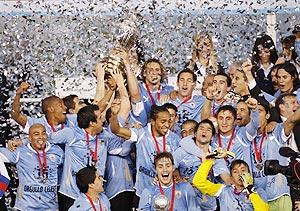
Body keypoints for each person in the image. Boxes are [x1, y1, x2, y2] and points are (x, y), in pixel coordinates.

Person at [109, 101, 180, 208]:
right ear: (152, 121)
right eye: (163, 121)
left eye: (169, 121)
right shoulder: (141, 133)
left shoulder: (174, 139)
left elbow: (176, 167)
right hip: (142, 192)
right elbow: (116, 130)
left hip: (165, 193)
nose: (167, 125)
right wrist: (114, 115)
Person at [49, 104, 108, 210]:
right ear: (92, 123)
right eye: (99, 118)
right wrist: (20, 141)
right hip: (71, 194)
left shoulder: (105, 136)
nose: (103, 120)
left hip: (94, 193)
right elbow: (46, 139)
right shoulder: (71, 133)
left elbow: (123, 147)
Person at [0, 124, 64, 210]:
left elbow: (68, 168)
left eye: (43, 133)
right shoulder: (20, 151)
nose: (41, 137)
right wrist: (12, 143)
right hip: (27, 208)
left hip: (50, 207)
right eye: (36, 134)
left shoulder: (57, 151)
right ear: (29, 138)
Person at [250, 103, 300, 210]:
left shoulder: (276, 131)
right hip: (258, 199)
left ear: (267, 115)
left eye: (260, 111)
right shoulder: (247, 138)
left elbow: (292, 120)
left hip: (280, 196)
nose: (256, 115)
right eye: (253, 112)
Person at [174, 119, 230, 210]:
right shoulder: (181, 151)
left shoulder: (216, 155)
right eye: (201, 128)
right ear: (195, 134)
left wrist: (235, 184)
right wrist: (178, 178)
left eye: (208, 130)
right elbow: (170, 167)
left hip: (207, 205)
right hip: (185, 204)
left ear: (212, 137)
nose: (204, 131)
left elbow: (226, 177)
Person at [193, 152, 269, 211]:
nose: (240, 174)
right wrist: (210, 159)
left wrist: (250, 189)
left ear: (249, 174)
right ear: (231, 178)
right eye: (235, 172)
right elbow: (198, 182)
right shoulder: (224, 191)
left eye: (243, 170)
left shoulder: (259, 192)